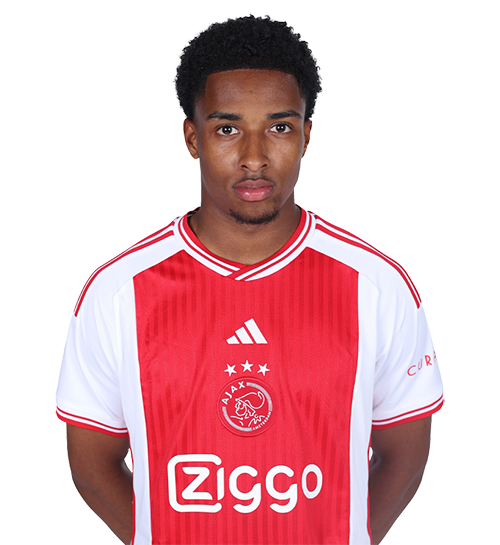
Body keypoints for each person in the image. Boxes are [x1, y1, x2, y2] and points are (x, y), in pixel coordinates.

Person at [56, 14, 444, 545]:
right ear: (193, 138)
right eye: (228, 129)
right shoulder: (117, 290)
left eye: (279, 128)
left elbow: (404, 454)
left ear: (306, 136)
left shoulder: (377, 285)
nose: (254, 157)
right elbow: (92, 462)